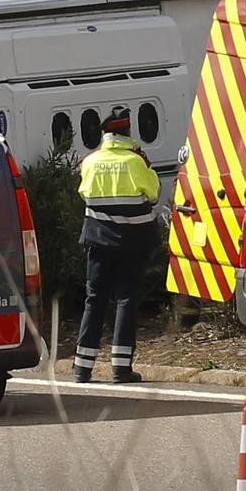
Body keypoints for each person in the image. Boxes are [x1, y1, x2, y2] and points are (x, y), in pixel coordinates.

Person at [73, 106, 160, 384]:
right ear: (127, 131)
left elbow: (84, 193)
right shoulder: (136, 161)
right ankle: (121, 368)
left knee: (94, 298)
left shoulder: (90, 161)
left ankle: (82, 368)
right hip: (132, 241)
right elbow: (154, 194)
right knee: (126, 299)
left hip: (98, 241)